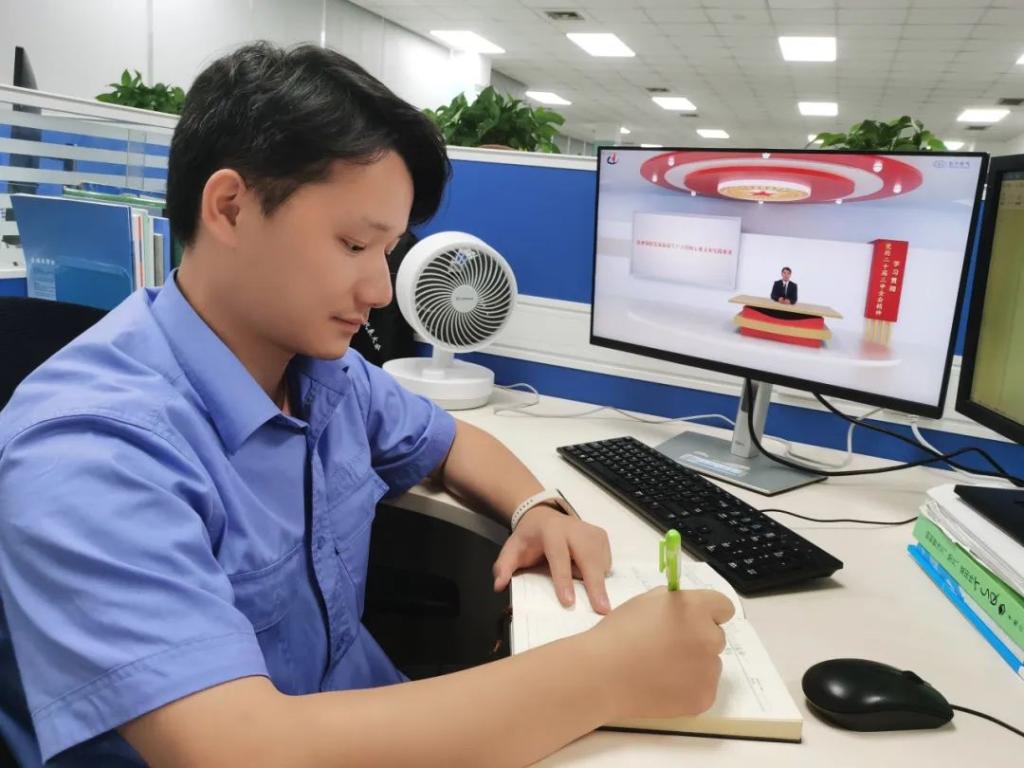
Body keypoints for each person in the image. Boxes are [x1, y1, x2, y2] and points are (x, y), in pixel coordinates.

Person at [0, 43, 733, 768]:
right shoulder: (89, 452)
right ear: (230, 207)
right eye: (354, 244)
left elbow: (450, 442)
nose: (381, 292)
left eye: (388, 251)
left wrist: (536, 507)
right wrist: (608, 671)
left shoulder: (323, 372)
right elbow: (234, 748)